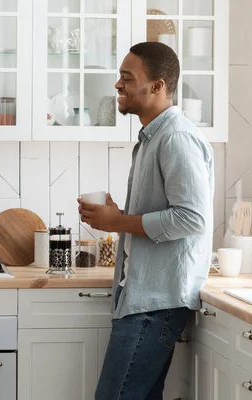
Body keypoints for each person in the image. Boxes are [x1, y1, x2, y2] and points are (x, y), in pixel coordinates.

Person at [78, 42, 214, 400]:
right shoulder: (153, 137)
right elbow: (168, 212)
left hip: (157, 301)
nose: (118, 85)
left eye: (127, 77)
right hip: (144, 295)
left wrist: (119, 222)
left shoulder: (176, 137)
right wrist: (117, 217)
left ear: (157, 85)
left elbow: (192, 217)